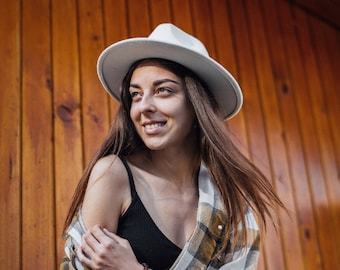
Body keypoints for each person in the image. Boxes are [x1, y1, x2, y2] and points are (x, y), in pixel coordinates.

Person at [60, 23, 284, 270]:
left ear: (197, 103)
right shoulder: (113, 174)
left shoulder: (232, 202)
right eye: (135, 94)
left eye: (163, 90)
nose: (143, 106)